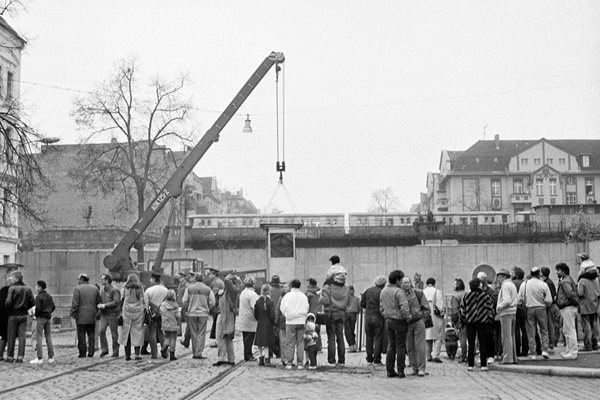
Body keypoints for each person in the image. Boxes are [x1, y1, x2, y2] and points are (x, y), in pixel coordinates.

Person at [380, 270, 411, 378]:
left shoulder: (383, 291)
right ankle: (401, 370)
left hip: (388, 320)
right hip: (399, 321)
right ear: (397, 280)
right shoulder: (399, 292)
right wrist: (408, 317)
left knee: (391, 345)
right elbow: (404, 307)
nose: (402, 282)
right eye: (401, 280)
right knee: (400, 346)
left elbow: (381, 307)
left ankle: (389, 370)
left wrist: (386, 315)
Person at [320, 261, 351, 367]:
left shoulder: (328, 287)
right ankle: (341, 361)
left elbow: (323, 301)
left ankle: (332, 360)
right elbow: (348, 302)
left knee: (331, 338)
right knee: (340, 337)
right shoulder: (346, 289)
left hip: (331, 314)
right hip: (342, 314)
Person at [517, 267, 552, 360]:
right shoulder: (543, 284)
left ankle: (532, 352)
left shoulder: (524, 284)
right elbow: (549, 300)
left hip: (529, 309)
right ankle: (545, 349)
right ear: (539, 274)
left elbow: (519, 299)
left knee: (531, 331)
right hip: (541, 308)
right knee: (544, 330)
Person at [459, 278, 494, 371]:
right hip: (482, 322)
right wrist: (490, 320)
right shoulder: (485, 296)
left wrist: (463, 320)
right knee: (483, 343)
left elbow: (462, 310)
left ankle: (470, 364)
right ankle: (483, 365)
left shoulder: (466, 296)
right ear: (479, 285)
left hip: (470, 322)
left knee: (471, 343)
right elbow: (489, 309)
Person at [182, 272, 216, 359]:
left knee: (193, 333)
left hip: (192, 313)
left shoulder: (189, 288)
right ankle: (199, 352)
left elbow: (184, 301)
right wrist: (207, 308)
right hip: (203, 313)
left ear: (195, 279)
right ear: (203, 279)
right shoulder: (208, 289)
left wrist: (187, 308)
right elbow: (213, 302)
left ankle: (194, 352)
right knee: (201, 333)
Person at [401, 276, 429, 377]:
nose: (406, 284)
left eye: (407, 282)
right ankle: (414, 367)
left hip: (418, 322)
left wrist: (422, 319)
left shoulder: (418, 293)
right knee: (409, 346)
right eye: (404, 283)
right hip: (406, 323)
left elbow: (426, 308)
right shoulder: (399, 294)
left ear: (410, 283)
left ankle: (421, 368)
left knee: (420, 346)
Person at [4, 271, 34, 363]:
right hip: (23, 315)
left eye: (12, 278)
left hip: (13, 315)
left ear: (16, 278)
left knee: (11, 336)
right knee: (22, 336)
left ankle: (10, 356)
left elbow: (8, 302)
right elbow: (32, 302)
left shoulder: (12, 288)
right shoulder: (28, 288)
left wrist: (8, 309)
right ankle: (20, 356)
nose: (11, 279)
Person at [213, 274, 243, 366]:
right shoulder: (228, 291)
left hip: (226, 316)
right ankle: (230, 358)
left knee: (221, 336)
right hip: (224, 314)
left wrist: (235, 278)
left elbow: (226, 280)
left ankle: (223, 358)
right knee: (227, 337)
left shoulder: (232, 291)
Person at [280, 278, 309, 369]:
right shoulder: (303, 296)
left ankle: (289, 362)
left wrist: (286, 315)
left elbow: (282, 307)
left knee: (290, 343)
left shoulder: (287, 296)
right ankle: (300, 363)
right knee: (300, 343)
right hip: (301, 320)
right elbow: (307, 307)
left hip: (290, 321)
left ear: (291, 286)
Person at [71, 273, 101, 358]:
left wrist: (73, 313)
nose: (77, 281)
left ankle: (82, 352)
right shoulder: (95, 289)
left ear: (81, 280)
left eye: (78, 279)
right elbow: (99, 301)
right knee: (91, 334)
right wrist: (98, 312)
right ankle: (91, 351)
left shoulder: (77, 289)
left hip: (81, 316)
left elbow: (75, 303)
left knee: (81, 335)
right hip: (92, 315)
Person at [118, 274, 145, 361]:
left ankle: (127, 355)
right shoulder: (140, 288)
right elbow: (143, 299)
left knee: (127, 333)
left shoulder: (125, 288)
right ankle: (137, 354)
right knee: (137, 333)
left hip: (127, 312)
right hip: (138, 313)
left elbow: (122, 299)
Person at [360, 275, 386, 365]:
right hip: (378, 317)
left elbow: (362, 303)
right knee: (378, 338)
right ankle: (377, 359)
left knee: (369, 338)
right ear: (384, 283)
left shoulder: (368, 290)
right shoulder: (383, 292)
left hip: (368, 317)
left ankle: (369, 358)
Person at [555, 262, 579, 359]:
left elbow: (570, 294)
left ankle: (572, 351)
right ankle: (570, 350)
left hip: (568, 307)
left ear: (563, 271)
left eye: (559, 270)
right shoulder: (568, 279)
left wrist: (572, 302)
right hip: (569, 307)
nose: (557, 272)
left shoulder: (565, 281)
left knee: (569, 330)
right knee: (567, 330)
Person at [143, 273, 168, 360]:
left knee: (152, 334)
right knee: (162, 332)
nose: (150, 280)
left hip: (152, 314)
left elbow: (146, 305)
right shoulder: (165, 290)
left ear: (153, 279)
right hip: (163, 313)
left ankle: (154, 354)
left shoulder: (148, 290)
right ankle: (164, 347)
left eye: (150, 279)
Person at [495, 269, 518, 365]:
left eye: (500, 277)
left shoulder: (505, 286)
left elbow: (507, 300)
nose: (498, 279)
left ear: (504, 277)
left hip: (506, 312)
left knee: (506, 336)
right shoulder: (512, 285)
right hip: (513, 312)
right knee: (511, 336)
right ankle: (513, 357)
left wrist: (499, 307)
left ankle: (507, 358)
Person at [30, 280, 55, 364]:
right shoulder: (48, 296)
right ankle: (51, 357)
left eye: (36, 286)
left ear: (40, 287)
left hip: (40, 318)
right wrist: (48, 312)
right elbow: (53, 307)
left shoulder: (38, 297)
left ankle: (39, 357)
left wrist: (35, 315)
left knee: (39, 337)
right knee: (48, 337)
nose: (35, 287)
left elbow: (38, 308)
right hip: (48, 318)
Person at [576, 260, 599, 352]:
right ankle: (595, 343)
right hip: (595, 303)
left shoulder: (582, 280)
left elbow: (580, 293)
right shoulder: (596, 279)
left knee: (586, 325)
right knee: (594, 324)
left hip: (585, 305)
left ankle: (587, 344)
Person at [97, 274, 121, 358]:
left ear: (107, 280)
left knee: (114, 333)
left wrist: (105, 305)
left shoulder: (114, 290)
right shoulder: (102, 290)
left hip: (113, 314)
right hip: (104, 314)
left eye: (102, 279)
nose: (101, 280)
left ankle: (115, 351)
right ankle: (104, 350)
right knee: (101, 331)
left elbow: (116, 302)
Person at [477, 271, 497, 364]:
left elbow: (493, 304)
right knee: (481, 338)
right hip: (480, 318)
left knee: (489, 337)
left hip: (488, 318)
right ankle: (483, 355)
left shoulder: (491, 292)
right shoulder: (478, 292)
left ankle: (490, 355)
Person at [254, 283, 276, 367]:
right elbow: (272, 314)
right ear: (269, 292)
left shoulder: (258, 301)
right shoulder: (270, 302)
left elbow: (255, 314)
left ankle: (260, 359)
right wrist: (273, 322)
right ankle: (267, 359)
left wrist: (258, 319)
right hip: (268, 324)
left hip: (260, 322)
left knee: (260, 342)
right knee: (266, 342)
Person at [239, 276, 259, 362]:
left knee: (245, 338)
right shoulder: (252, 294)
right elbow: (255, 307)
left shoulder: (243, 292)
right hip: (251, 319)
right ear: (253, 284)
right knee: (249, 338)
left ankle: (247, 353)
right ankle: (248, 355)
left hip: (244, 317)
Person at [423, 277, 444, 363]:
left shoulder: (423, 292)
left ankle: (428, 356)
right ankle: (436, 354)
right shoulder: (437, 292)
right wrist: (442, 313)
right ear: (434, 283)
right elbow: (440, 305)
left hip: (426, 314)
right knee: (438, 335)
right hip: (435, 315)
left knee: (428, 336)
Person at [541, 267, 560, 350]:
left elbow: (550, 296)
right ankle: (552, 342)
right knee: (552, 325)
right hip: (553, 305)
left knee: (550, 325)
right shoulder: (549, 282)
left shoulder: (547, 283)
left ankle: (551, 343)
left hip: (550, 306)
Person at [159, 289, 181, 361]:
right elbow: (178, 316)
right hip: (173, 325)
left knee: (167, 337)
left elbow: (160, 313)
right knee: (173, 339)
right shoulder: (175, 305)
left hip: (165, 324)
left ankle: (165, 347)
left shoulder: (163, 304)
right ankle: (172, 354)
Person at [511, 267, 528, 357]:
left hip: (515, 307)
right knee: (525, 330)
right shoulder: (525, 283)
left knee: (516, 330)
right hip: (524, 308)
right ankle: (525, 349)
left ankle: (517, 350)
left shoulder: (512, 284)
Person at [450, 278, 467, 363]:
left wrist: (455, 322)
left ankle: (464, 356)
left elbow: (454, 311)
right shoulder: (467, 293)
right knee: (471, 339)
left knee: (462, 338)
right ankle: (470, 354)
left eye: (454, 284)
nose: (452, 286)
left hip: (461, 320)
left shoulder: (455, 296)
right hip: (471, 318)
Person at [206, 269, 224, 348]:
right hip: (219, 305)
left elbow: (214, 296)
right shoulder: (218, 281)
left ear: (214, 274)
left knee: (217, 324)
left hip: (217, 305)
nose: (209, 276)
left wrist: (212, 306)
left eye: (210, 274)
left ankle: (218, 341)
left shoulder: (216, 282)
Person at [305, 278, 322, 351]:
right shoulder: (320, 292)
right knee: (317, 330)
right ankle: (319, 346)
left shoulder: (308, 293)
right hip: (319, 314)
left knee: (310, 331)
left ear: (310, 284)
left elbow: (306, 304)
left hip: (310, 314)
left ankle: (311, 346)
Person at [269, 275, 284, 358]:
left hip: (271, 314)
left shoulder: (270, 290)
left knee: (271, 334)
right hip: (280, 314)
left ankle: (270, 352)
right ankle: (279, 352)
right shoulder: (282, 291)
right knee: (279, 334)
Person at [0, 274, 13, 361]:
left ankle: (0, 354)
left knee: (4, 336)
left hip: (2, 316)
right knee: (10, 336)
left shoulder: (2, 290)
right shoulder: (13, 290)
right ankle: (9, 355)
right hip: (11, 315)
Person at [345, 285, 360, 352]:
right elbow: (359, 307)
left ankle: (351, 346)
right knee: (351, 330)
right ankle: (354, 345)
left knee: (347, 332)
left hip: (346, 314)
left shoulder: (345, 298)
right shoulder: (356, 298)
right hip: (353, 315)